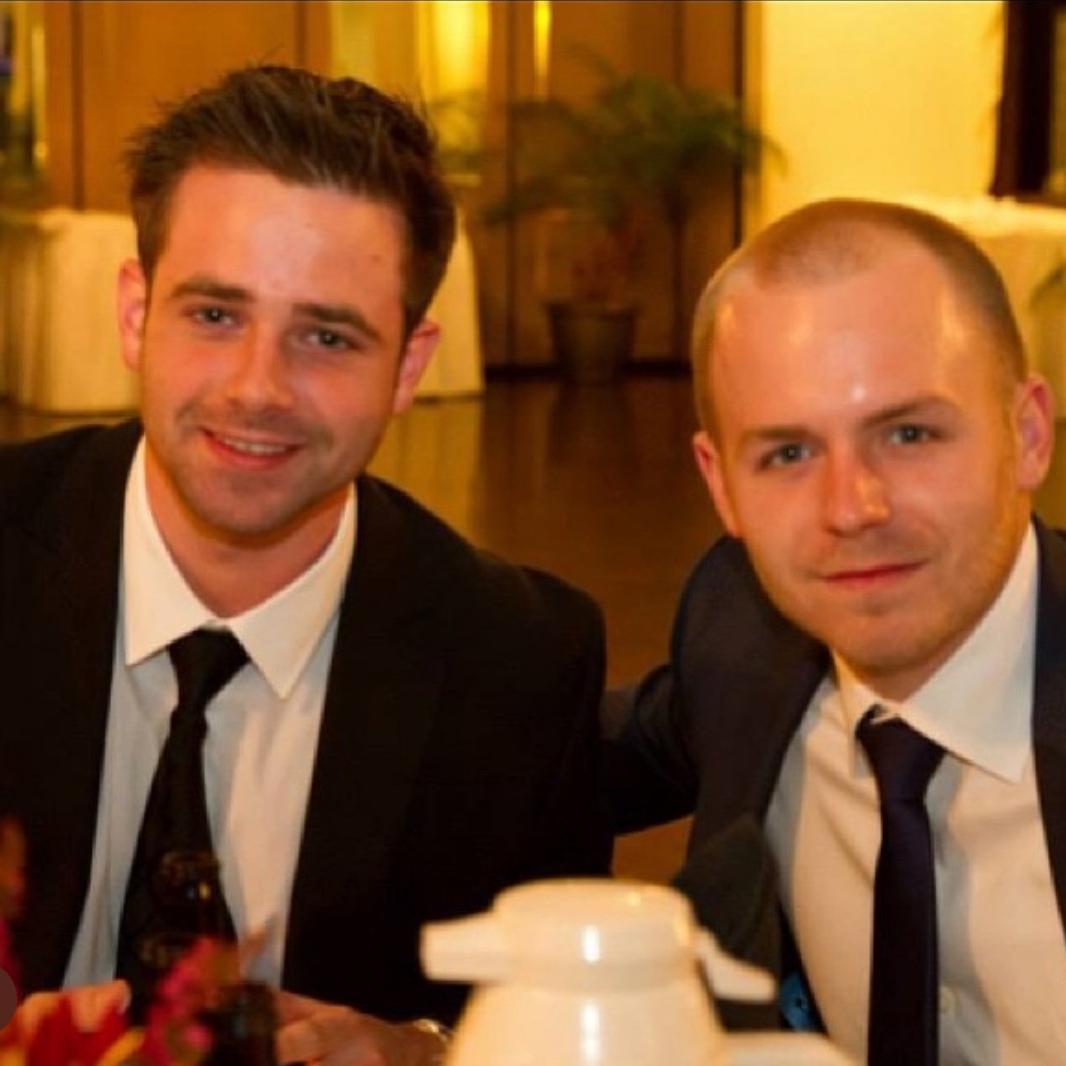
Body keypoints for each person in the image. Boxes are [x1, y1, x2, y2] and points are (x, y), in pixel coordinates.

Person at [0, 65, 611, 1064]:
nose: (258, 388)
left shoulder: (519, 663)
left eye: (326, 335)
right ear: (135, 314)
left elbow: (554, 1027)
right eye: (215, 315)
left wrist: (425, 1052)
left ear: (408, 366)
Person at [605, 198, 1066, 1063]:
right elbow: (537, 758)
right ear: (721, 485)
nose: (851, 508)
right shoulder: (742, 637)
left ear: (1029, 433)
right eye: (788, 453)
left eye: (909, 433)